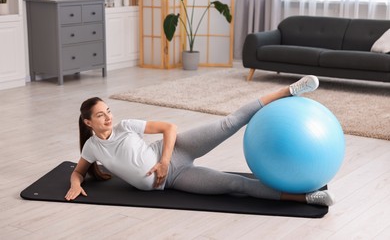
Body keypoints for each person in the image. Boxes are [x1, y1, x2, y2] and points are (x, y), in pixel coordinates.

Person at [65, 75, 335, 206]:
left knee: (230, 123)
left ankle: (290, 90)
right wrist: (75, 184)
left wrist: (164, 162)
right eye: (101, 116)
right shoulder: (92, 147)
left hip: (175, 151)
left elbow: (169, 128)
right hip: (174, 181)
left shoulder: (126, 126)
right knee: (235, 184)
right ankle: (307, 199)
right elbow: (78, 172)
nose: (109, 118)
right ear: (88, 122)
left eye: (108, 111)